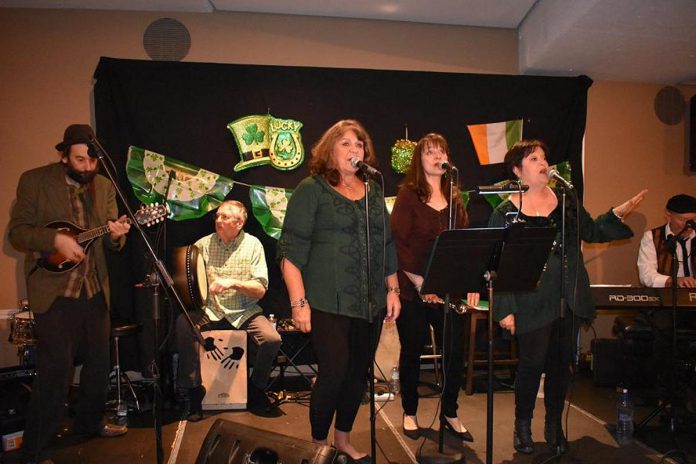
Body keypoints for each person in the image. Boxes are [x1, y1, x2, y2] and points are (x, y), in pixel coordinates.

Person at [488, 139, 646, 455]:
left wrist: (618, 213)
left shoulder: (566, 199)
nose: (543, 163)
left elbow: (592, 231)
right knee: (531, 365)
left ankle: (553, 426)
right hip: (529, 299)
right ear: (518, 170)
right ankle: (522, 427)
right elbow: (496, 265)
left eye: (545, 157)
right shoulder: (505, 212)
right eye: (534, 159)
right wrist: (504, 308)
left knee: (561, 367)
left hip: (567, 295)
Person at [277, 119, 401, 463]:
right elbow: (290, 250)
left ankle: (342, 439)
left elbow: (386, 243)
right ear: (329, 150)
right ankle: (317, 444)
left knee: (358, 372)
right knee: (334, 371)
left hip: (370, 300)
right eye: (345, 143)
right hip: (327, 300)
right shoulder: (311, 189)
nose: (354, 150)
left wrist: (393, 289)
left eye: (358, 144)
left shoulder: (373, 191)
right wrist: (299, 303)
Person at [8, 124, 131, 464]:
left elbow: (110, 239)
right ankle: (34, 450)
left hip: (93, 290)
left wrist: (117, 233)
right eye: (80, 159)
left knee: (98, 364)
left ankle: (89, 423)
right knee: (55, 371)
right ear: (64, 156)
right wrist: (56, 240)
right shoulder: (34, 180)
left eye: (92, 161)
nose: (87, 167)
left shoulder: (103, 185)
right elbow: (17, 233)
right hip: (56, 293)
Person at [390, 133, 478, 441]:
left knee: (455, 352)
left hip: (449, 288)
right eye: (430, 152)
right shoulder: (408, 195)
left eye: (442, 151)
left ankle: (450, 412)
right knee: (412, 349)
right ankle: (410, 412)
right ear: (419, 160)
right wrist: (420, 282)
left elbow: (464, 244)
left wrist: (469, 283)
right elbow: (398, 244)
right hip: (414, 287)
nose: (437, 156)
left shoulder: (455, 196)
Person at [174, 200, 281, 417]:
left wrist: (233, 282)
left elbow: (260, 289)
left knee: (272, 340)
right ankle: (192, 389)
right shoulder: (202, 245)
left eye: (225, 217)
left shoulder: (253, 245)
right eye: (217, 216)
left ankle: (257, 388)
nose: (218, 220)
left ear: (239, 222)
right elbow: (189, 279)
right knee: (184, 323)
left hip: (243, 311)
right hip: (210, 309)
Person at [638, 194, 696, 288]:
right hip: (666, 298)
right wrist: (674, 281)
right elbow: (647, 276)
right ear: (668, 215)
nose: (689, 225)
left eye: (693, 220)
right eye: (682, 219)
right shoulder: (652, 237)